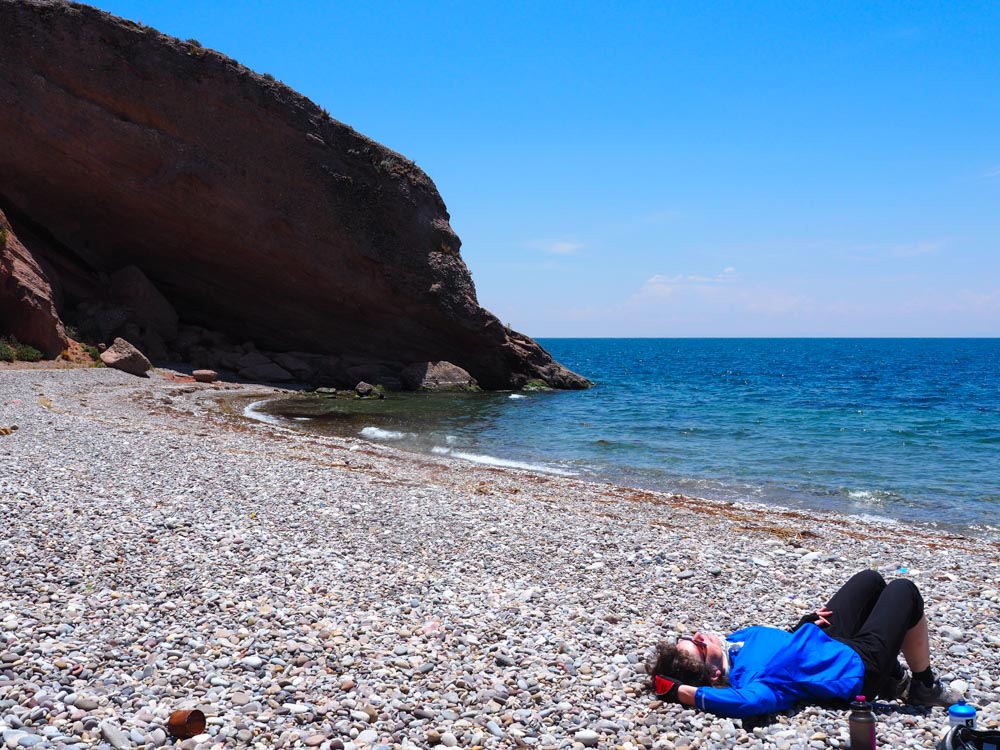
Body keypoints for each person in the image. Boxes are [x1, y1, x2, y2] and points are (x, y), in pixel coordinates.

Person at [646, 569, 952, 719]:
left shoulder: (735, 641)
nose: (698, 635)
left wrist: (802, 625)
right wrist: (682, 693)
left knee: (870, 580)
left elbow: (783, 647)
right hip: (856, 667)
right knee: (904, 590)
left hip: (824, 641)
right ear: (712, 675)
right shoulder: (756, 681)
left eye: (688, 638)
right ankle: (923, 685)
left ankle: (895, 679)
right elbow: (748, 704)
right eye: (697, 646)